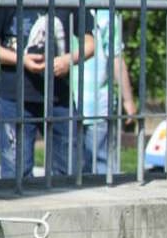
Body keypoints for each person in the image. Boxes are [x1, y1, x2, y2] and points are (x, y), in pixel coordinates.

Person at [0, 7, 95, 178]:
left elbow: (89, 44)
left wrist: (67, 60)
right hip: (13, 98)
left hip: (59, 99)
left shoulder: (69, 2)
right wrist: (21, 59)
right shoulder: (7, 3)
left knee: (70, 171)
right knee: (16, 174)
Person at [71, 9, 136, 174]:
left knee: (81, 166)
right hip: (85, 104)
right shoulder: (105, 15)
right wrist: (127, 100)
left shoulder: (67, 11)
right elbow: (116, 61)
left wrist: (127, 100)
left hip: (83, 103)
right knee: (100, 167)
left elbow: (116, 61)